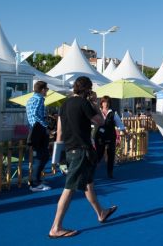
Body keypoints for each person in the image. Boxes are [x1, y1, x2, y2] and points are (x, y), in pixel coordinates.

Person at [49, 76, 117, 239]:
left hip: (70, 148)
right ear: (87, 89)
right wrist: (94, 103)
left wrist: (56, 156)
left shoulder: (64, 105)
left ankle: (101, 212)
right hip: (81, 149)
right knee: (69, 188)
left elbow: (59, 131)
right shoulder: (84, 103)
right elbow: (100, 121)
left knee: (88, 184)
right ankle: (56, 227)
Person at [26, 81, 51, 192]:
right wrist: (45, 125)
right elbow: (36, 114)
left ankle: (37, 180)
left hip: (33, 129)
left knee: (41, 156)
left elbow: (32, 115)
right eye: (47, 89)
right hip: (39, 129)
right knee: (42, 156)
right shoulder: (39, 99)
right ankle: (35, 183)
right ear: (42, 90)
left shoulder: (31, 99)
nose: (47, 91)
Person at [95, 96, 126, 179]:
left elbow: (119, 124)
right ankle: (92, 170)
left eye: (108, 102)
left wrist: (125, 132)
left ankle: (110, 172)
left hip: (110, 136)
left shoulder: (113, 113)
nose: (106, 104)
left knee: (111, 154)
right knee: (99, 154)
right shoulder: (97, 112)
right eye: (104, 102)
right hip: (100, 137)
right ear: (101, 103)